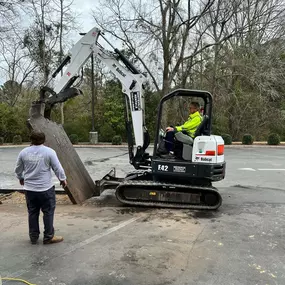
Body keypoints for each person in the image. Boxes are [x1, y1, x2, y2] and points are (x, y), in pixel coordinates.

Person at [14, 130, 67, 245]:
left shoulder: (24, 152)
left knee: (32, 212)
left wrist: (21, 177)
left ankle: (33, 237)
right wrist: (62, 179)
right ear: (44, 140)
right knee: (48, 212)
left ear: (31, 139)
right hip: (46, 189)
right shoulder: (49, 152)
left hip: (30, 190)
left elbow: (18, 169)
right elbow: (57, 168)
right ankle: (48, 237)